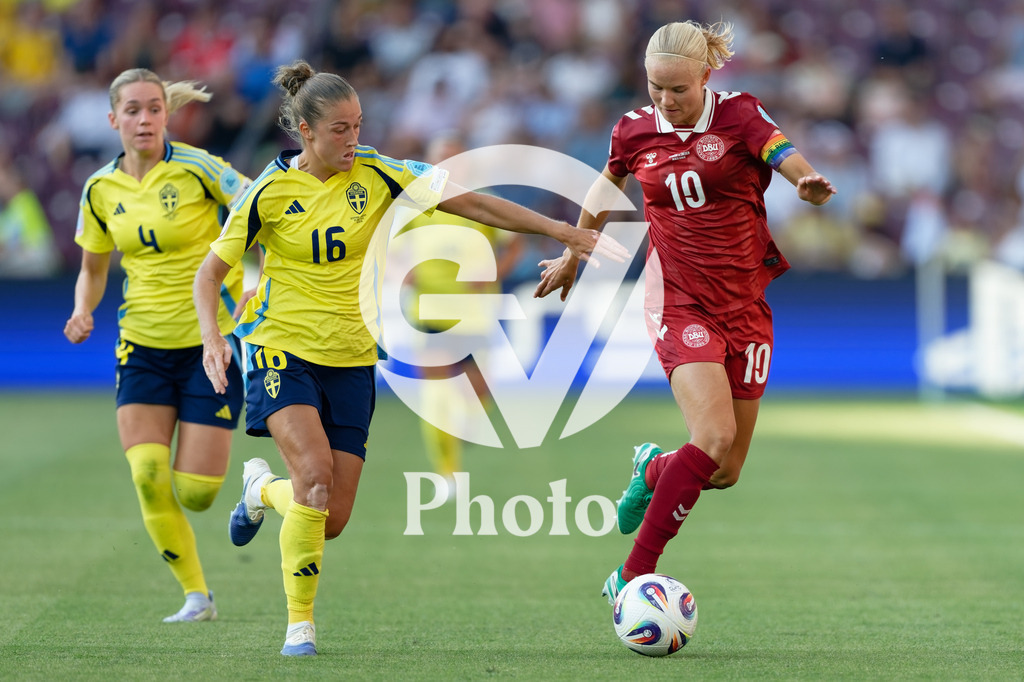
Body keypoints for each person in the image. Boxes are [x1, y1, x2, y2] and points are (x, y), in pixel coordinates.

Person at [192, 60, 626, 657]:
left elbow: (475, 204)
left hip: (349, 357)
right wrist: (214, 338)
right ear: (305, 131)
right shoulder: (267, 193)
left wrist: (563, 231)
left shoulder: (383, 175)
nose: (354, 139)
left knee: (331, 515)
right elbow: (210, 272)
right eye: (341, 129)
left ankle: (261, 491)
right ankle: (300, 626)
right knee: (314, 478)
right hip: (278, 346)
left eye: (359, 125)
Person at [533, 21, 836, 602]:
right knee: (714, 435)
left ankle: (654, 469)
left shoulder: (741, 114)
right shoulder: (633, 130)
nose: (666, 103)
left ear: (706, 75)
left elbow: (784, 152)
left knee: (723, 469)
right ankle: (631, 574)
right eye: (655, 90)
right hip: (677, 298)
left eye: (678, 90)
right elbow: (606, 186)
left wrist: (806, 181)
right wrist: (574, 250)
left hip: (746, 305)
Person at [64, 68, 253, 623]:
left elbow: (256, 204)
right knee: (147, 473)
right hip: (141, 344)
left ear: (166, 114)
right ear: (113, 119)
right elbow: (93, 268)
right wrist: (82, 307)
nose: (144, 119)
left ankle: (256, 491)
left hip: (208, 344)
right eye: (132, 111)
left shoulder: (198, 169)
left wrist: (252, 279)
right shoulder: (100, 189)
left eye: (153, 109)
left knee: (196, 493)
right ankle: (197, 596)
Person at [396, 132, 524, 493]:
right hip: (429, 309)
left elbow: (515, 241)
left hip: (474, 313)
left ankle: (469, 421)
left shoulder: (482, 203)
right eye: (441, 159)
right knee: (436, 392)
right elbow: (388, 251)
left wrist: (495, 271)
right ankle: (447, 473)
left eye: (454, 160)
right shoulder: (412, 206)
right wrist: (403, 272)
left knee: (477, 392)